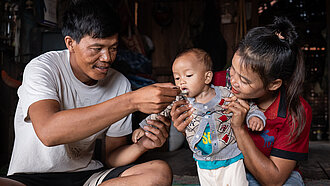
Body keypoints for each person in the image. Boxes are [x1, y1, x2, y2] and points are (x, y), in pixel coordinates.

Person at [0, 0, 181, 186]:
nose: (107, 58)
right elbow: (48, 132)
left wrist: (141, 146)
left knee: (158, 173)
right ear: (70, 43)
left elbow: (112, 157)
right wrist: (131, 101)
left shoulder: (119, 83)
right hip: (29, 178)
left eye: (113, 48)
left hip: (86, 177)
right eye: (97, 48)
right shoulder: (43, 68)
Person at [171, 17, 312, 185]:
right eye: (232, 69)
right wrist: (185, 126)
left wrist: (239, 128)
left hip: (269, 175)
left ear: (274, 84)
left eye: (245, 80)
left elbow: (273, 180)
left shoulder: (295, 111)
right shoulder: (214, 84)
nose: (233, 81)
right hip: (225, 168)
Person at [132, 48, 266, 185]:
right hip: (203, 161)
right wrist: (144, 128)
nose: (181, 82)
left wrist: (254, 117)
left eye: (188, 76)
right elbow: (158, 112)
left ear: (207, 77)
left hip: (230, 157)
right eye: (177, 78)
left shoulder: (225, 94)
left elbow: (246, 105)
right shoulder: (179, 101)